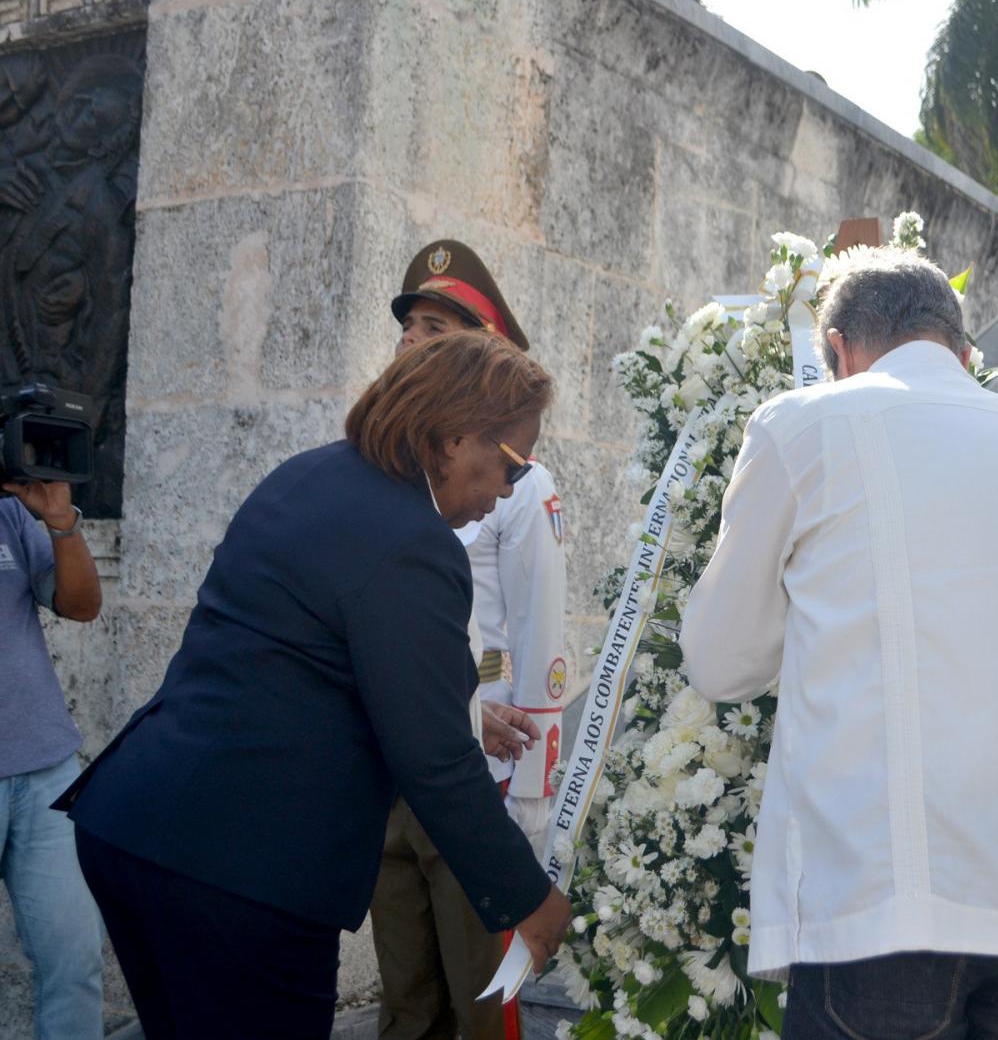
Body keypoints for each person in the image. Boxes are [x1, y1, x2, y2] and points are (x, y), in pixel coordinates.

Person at [54, 332, 573, 1040]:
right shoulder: (414, 541)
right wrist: (526, 897)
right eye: (512, 465)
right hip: (239, 873)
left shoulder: (309, 475)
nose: (508, 492)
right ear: (452, 436)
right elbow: (435, 759)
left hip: (139, 827)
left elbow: (312, 662)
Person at [680, 247, 998, 1039]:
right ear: (963, 353)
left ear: (839, 353)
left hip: (886, 899)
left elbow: (721, 663)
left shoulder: (804, 424)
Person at [373, 239, 572, 1040]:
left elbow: (540, 639)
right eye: (410, 324)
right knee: (407, 1001)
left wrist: (528, 803)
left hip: (479, 775)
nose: (410, 341)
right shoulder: (386, 468)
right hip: (397, 763)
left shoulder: (521, 482)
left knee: (481, 1002)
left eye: (434, 328)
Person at [0, 476, 103, 1038]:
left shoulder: (10, 515)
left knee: (75, 963)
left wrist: (60, 522)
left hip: (45, 769)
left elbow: (81, 605)